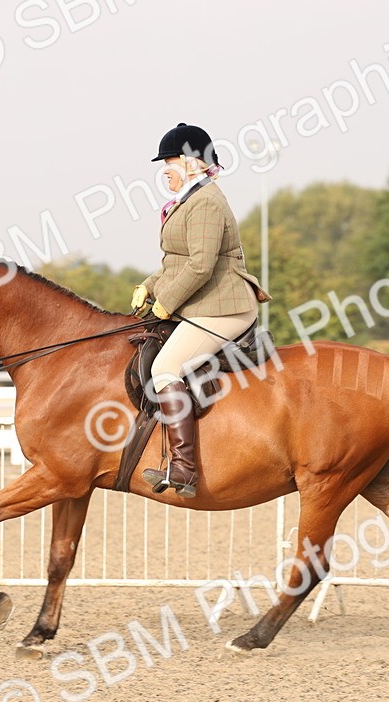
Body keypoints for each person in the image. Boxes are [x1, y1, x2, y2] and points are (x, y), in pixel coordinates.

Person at [134, 123, 271, 499]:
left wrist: (167, 302)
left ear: (193, 162)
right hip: (203, 303)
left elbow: (200, 265)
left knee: (165, 368)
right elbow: (176, 262)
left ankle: (183, 467)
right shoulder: (189, 201)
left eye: (171, 160)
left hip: (223, 308)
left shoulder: (207, 201)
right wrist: (149, 285)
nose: (165, 169)